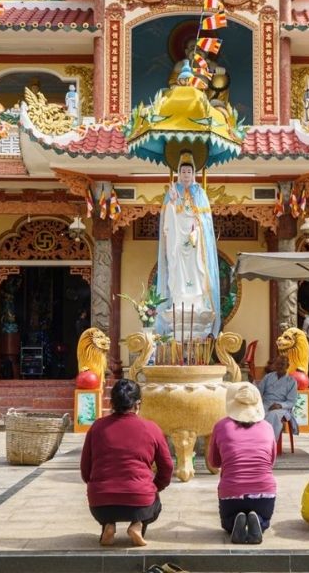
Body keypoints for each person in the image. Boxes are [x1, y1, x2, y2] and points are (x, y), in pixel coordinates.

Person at [80, 379, 174, 546]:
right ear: (137, 404)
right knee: (154, 501)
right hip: (140, 501)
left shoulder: (97, 427)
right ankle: (137, 525)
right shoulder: (151, 428)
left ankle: (108, 525)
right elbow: (167, 467)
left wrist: (98, 485)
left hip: (100, 505)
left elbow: (85, 469)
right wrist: (155, 486)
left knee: (108, 504)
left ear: (112, 403)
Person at [155, 151, 220, 341]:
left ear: (194, 174)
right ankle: (179, 299)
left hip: (194, 242)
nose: (185, 175)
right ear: (178, 173)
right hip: (177, 238)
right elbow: (167, 222)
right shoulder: (172, 193)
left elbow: (206, 222)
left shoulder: (200, 193)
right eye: (182, 172)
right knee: (177, 269)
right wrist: (173, 203)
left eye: (188, 172)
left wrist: (197, 232)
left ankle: (198, 301)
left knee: (197, 270)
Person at [207, 383, 278, 544]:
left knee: (226, 524)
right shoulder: (267, 427)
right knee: (265, 522)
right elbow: (271, 462)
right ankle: (259, 520)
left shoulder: (221, 426)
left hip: (232, 492)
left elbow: (214, 462)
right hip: (264, 492)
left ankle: (234, 522)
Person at [256, 354, 298, 440]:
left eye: (282, 364)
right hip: (266, 404)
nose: (279, 366)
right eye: (278, 364)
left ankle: (269, 442)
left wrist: (279, 405)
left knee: (273, 415)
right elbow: (259, 391)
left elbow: (291, 401)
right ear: (275, 365)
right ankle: (256, 441)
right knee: (255, 413)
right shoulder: (268, 377)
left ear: (287, 366)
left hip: (282, 408)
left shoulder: (291, 381)